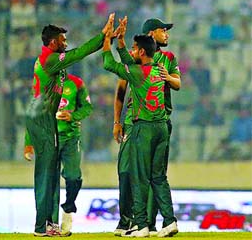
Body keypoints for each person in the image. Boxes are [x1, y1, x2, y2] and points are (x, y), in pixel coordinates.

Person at [23, 13, 114, 237]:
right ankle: (41, 226)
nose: (66, 43)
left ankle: (49, 223)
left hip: (42, 117)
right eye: (63, 40)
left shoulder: (50, 60)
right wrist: (103, 36)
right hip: (43, 119)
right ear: (53, 42)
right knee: (46, 175)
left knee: (51, 174)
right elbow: (80, 53)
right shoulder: (50, 60)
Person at [103, 18, 178, 237]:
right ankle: (168, 221)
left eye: (136, 48)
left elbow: (111, 64)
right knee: (156, 176)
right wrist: (122, 43)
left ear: (142, 51)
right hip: (160, 125)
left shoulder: (138, 71)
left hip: (143, 126)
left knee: (138, 174)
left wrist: (108, 40)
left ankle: (142, 224)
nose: (167, 33)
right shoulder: (157, 67)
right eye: (163, 30)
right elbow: (127, 64)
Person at [24, 73, 93, 237]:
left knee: (73, 175)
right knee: (52, 182)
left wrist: (73, 116)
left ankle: (68, 208)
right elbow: (32, 115)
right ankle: (52, 224)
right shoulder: (43, 85)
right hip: (49, 138)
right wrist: (28, 143)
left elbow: (87, 107)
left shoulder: (76, 83)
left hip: (71, 138)